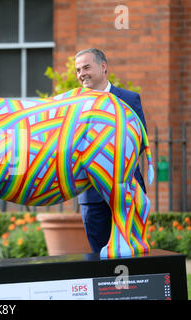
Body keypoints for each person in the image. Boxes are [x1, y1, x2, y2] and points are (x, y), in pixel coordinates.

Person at [74, 48, 148, 253]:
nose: (82, 74)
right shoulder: (73, 105)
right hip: (91, 194)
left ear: (103, 66)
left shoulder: (129, 99)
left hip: (127, 188)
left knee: (131, 250)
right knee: (99, 256)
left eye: (86, 67)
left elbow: (139, 141)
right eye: (78, 70)